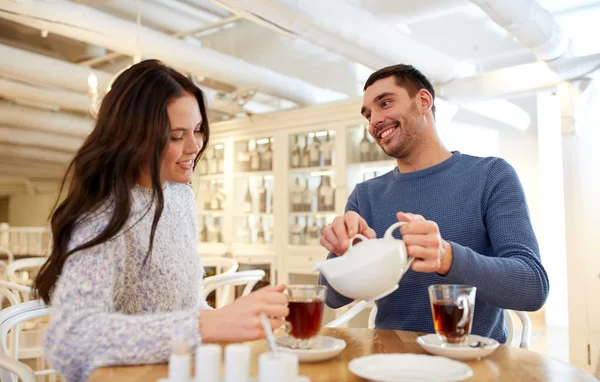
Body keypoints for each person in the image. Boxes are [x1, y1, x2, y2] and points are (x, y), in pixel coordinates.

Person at [35, 60, 288, 382]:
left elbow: (187, 306)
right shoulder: (104, 214)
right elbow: (70, 339)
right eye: (175, 136)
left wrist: (228, 319)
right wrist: (207, 325)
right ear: (133, 137)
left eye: (197, 130)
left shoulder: (179, 197)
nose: (195, 146)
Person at [318, 64, 549, 343]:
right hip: (389, 364)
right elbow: (330, 297)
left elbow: (533, 287)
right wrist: (348, 255)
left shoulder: (491, 176)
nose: (374, 121)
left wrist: (448, 257)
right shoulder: (365, 195)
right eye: (368, 114)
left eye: (385, 103)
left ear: (424, 101)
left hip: (472, 364)